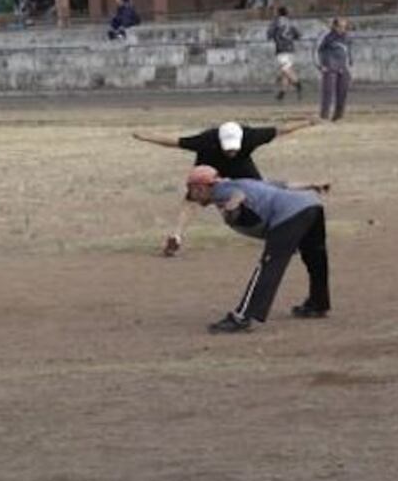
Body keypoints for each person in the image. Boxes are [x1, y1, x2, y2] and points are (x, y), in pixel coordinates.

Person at [132, 118, 318, 255]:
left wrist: (308, 122)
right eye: (227, 148)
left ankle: (281, 234)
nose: (231, 151)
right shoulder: (207, 140)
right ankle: (176, 237)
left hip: (241, 167)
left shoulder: (250, 136)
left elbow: (281, 130)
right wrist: (146, 137)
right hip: (208, 170)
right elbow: (175, 142)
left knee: (263, 193)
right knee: (192, 200)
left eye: (234, 148)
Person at [183, 166, 333, 334]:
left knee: (269, 265)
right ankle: (318, 303)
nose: (191, 196)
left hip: (289, 214)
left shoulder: (220, 190)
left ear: (200, 187)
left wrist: (233, 205)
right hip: (311, 204)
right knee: (316, 258)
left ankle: (241, 317)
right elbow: (284, 184)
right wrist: (313, 185)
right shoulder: (245, 182)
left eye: (191, 190)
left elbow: (237, 195)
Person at [317, 18, 353, 122]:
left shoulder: (346, 37)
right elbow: (317, 50)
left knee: (342, 92)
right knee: (328, 92)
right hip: (330, 68)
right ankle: (324, 115)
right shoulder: (327, 36)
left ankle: (338, 115)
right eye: (340, 27)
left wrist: (350, 65)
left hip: (343, 67)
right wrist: (321, 65)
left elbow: (349, 52)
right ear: (334, 26)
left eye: (345, 27)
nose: (343, 29)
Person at [267, 6, 302, 101]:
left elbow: (269, 34)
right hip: (291, 49)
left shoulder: (276, 22)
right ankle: (282, 93)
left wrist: (273, 37)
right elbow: (298, 35)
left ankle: (297, 83)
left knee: (285, 69)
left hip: (281, 49)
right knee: (285, 72)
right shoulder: (291, 22)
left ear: (278, 13)